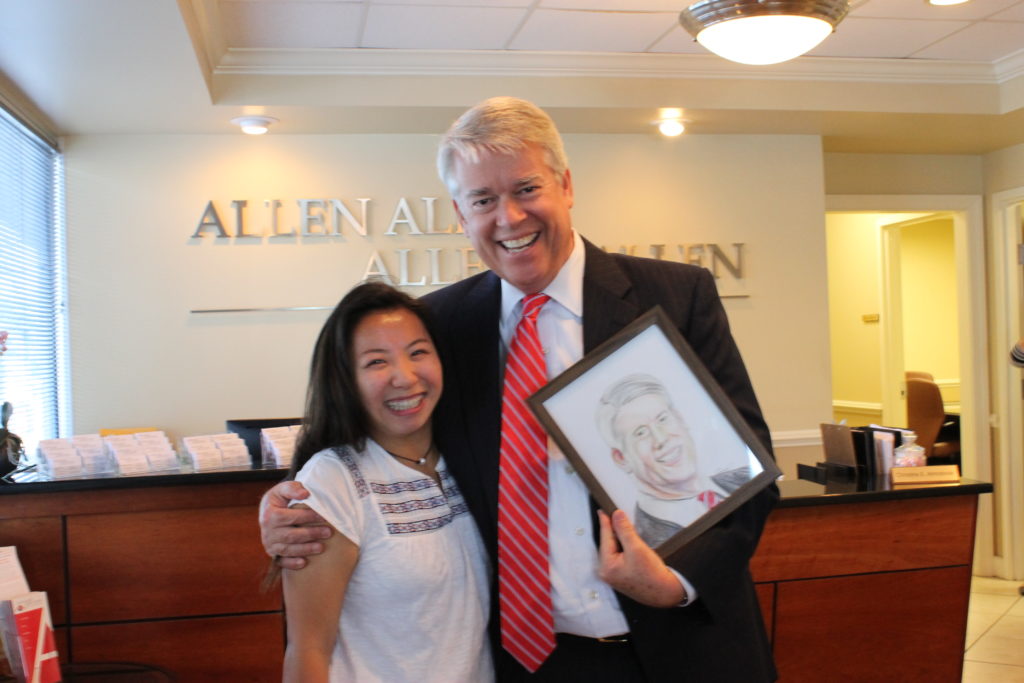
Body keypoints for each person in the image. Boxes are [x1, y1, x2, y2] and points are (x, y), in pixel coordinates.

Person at [261, 96, 778, 682]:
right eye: (483, 200)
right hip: (525, 661)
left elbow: (745, 465)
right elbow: (370, 431)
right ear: (460, 214)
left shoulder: (675, 295)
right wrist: (288, 502)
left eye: (526, 189)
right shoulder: (443, 325)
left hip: (680, 647)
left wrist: (674, 582)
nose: (508, 217)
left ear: (566, 185)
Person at [278, 281, 492, 682]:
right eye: (377, 362)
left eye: (418, 353)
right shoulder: (332, 482)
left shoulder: (467, 460)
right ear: (345, 380)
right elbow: (308, 650)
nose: (405, 377)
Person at [596, 373, 750, 548]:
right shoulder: (646, 542)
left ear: (680, 418)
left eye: (663, 419)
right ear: (621, 459)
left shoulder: (745, 478)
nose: (661, 439)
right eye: (640, 433)